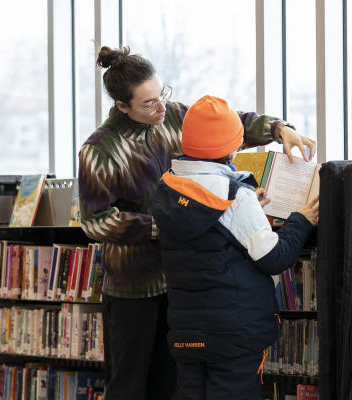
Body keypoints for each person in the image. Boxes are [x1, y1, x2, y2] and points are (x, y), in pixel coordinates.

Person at [78, 47, 316, 400]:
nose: (161, 107)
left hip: (186, 282)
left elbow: (227, 126)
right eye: (148, 103)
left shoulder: (175, 116)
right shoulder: (99, 150)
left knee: (174, 386)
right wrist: (168, 223)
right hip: (135, 287)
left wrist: (278, 129)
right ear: (121, 106)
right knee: (129, 386)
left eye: (163, 94)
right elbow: (95, 222)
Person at [151, 95, 319, 400]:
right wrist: (301, 221)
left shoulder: (167, 190)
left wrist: (248, 206)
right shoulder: (235, 195)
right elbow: (274, 258)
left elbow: (207, 227)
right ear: (231, 147)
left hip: (187, 334)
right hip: (233, 334)